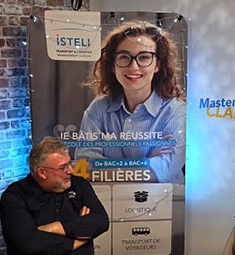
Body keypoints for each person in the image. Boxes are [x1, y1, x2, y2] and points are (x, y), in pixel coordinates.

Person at [75, 20, 186, 184]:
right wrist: (146, 162)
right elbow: (83, 167)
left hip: (162, 205)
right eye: (124, 57)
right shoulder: (97, 109)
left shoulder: (176, 112)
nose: (133, 67)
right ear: (113, 65)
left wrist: (105, 167)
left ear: (158, 65)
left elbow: (165, 171)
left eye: (144, 57)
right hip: (105, 203)